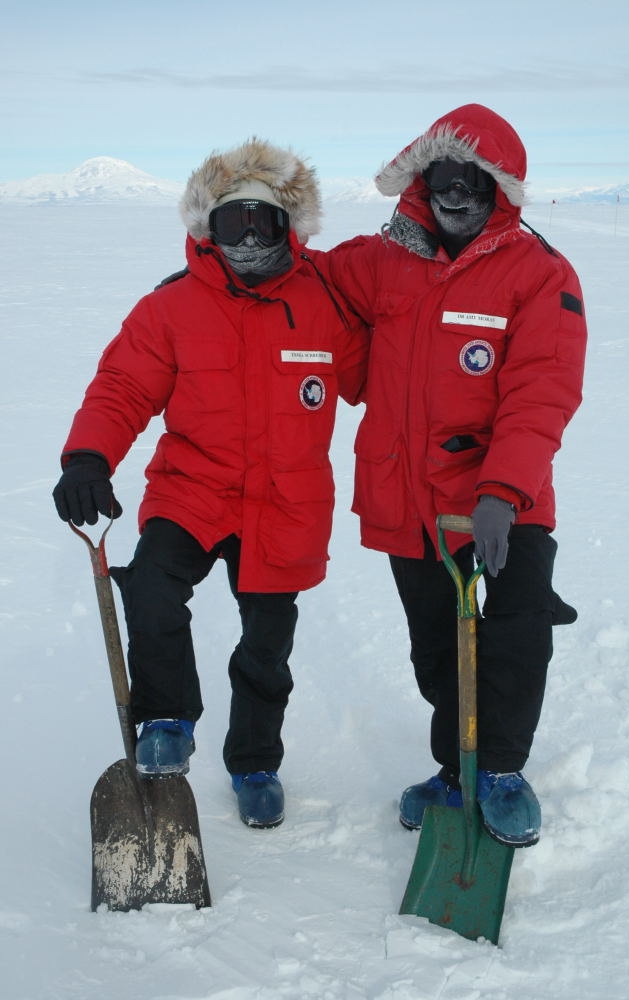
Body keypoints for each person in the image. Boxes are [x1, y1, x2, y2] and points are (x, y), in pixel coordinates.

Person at [53, 138, 368, 829]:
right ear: (207, 229)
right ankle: (166, 715)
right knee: (154, 586)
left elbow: (382, 377)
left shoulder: (326, 304)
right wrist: (88, 458)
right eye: (233, 222)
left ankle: (255, 760)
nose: (249, 237)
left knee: (267, 646)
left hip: (287, 504)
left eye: (264, 220)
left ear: (291, 226)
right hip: (192, 488)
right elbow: (122, 386)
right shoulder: (171, 307)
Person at [314, 104, 587, 847]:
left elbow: (543, 392)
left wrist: (503, 492)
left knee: (517, 627)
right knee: (437, 643)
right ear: (421, 180)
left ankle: (498, 769)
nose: (455, 193)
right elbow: (305, 279)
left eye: (471, 179)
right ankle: (453, 763)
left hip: (507, 498)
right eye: (441, 177)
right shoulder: (384, 260)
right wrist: (226, 249)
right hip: (411, 496)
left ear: (498, 186)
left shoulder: (540, 275)